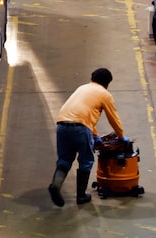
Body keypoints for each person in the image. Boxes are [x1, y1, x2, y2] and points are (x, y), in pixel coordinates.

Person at [49, 67, 127, 207]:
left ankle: (55, 185)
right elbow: (113, 119)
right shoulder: (104, 94)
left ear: (92, 78)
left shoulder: (82, 88)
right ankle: (81, 196)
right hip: (80, 128)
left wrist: (95, 135)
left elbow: (83, 114)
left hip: (61, 125)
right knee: (86, 161)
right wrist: (121, 137)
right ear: (107, 84)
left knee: (64, 160)